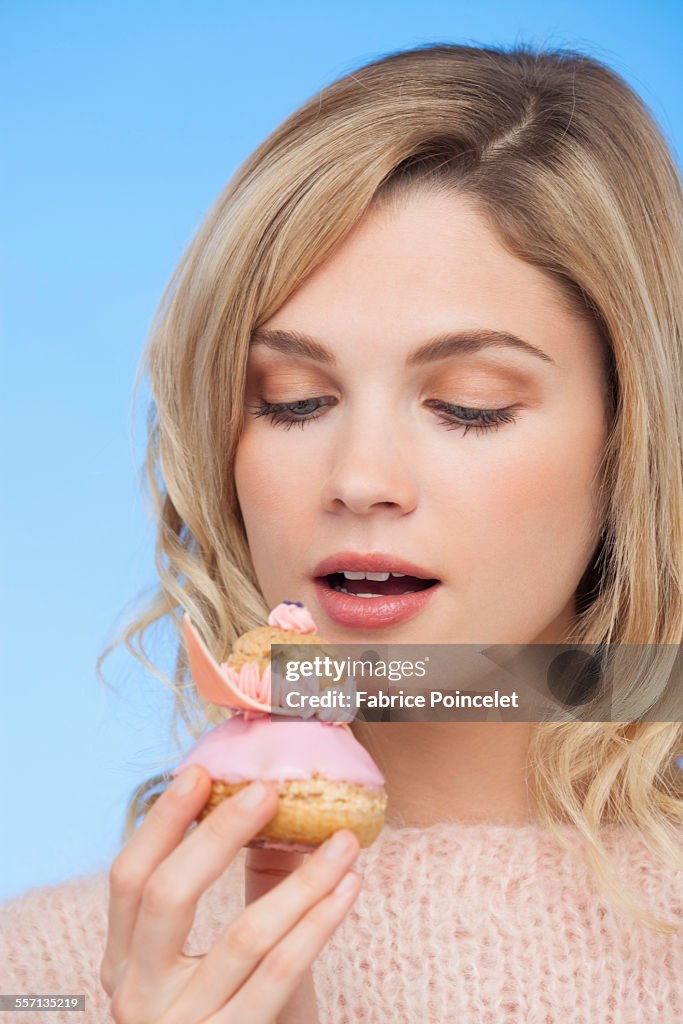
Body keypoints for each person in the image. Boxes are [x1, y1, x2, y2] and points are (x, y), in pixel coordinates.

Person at [2, 41, 682, 1024]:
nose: (359, 480)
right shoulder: (38, 973)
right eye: (292, 401)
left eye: (468, 405)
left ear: (631, 440)